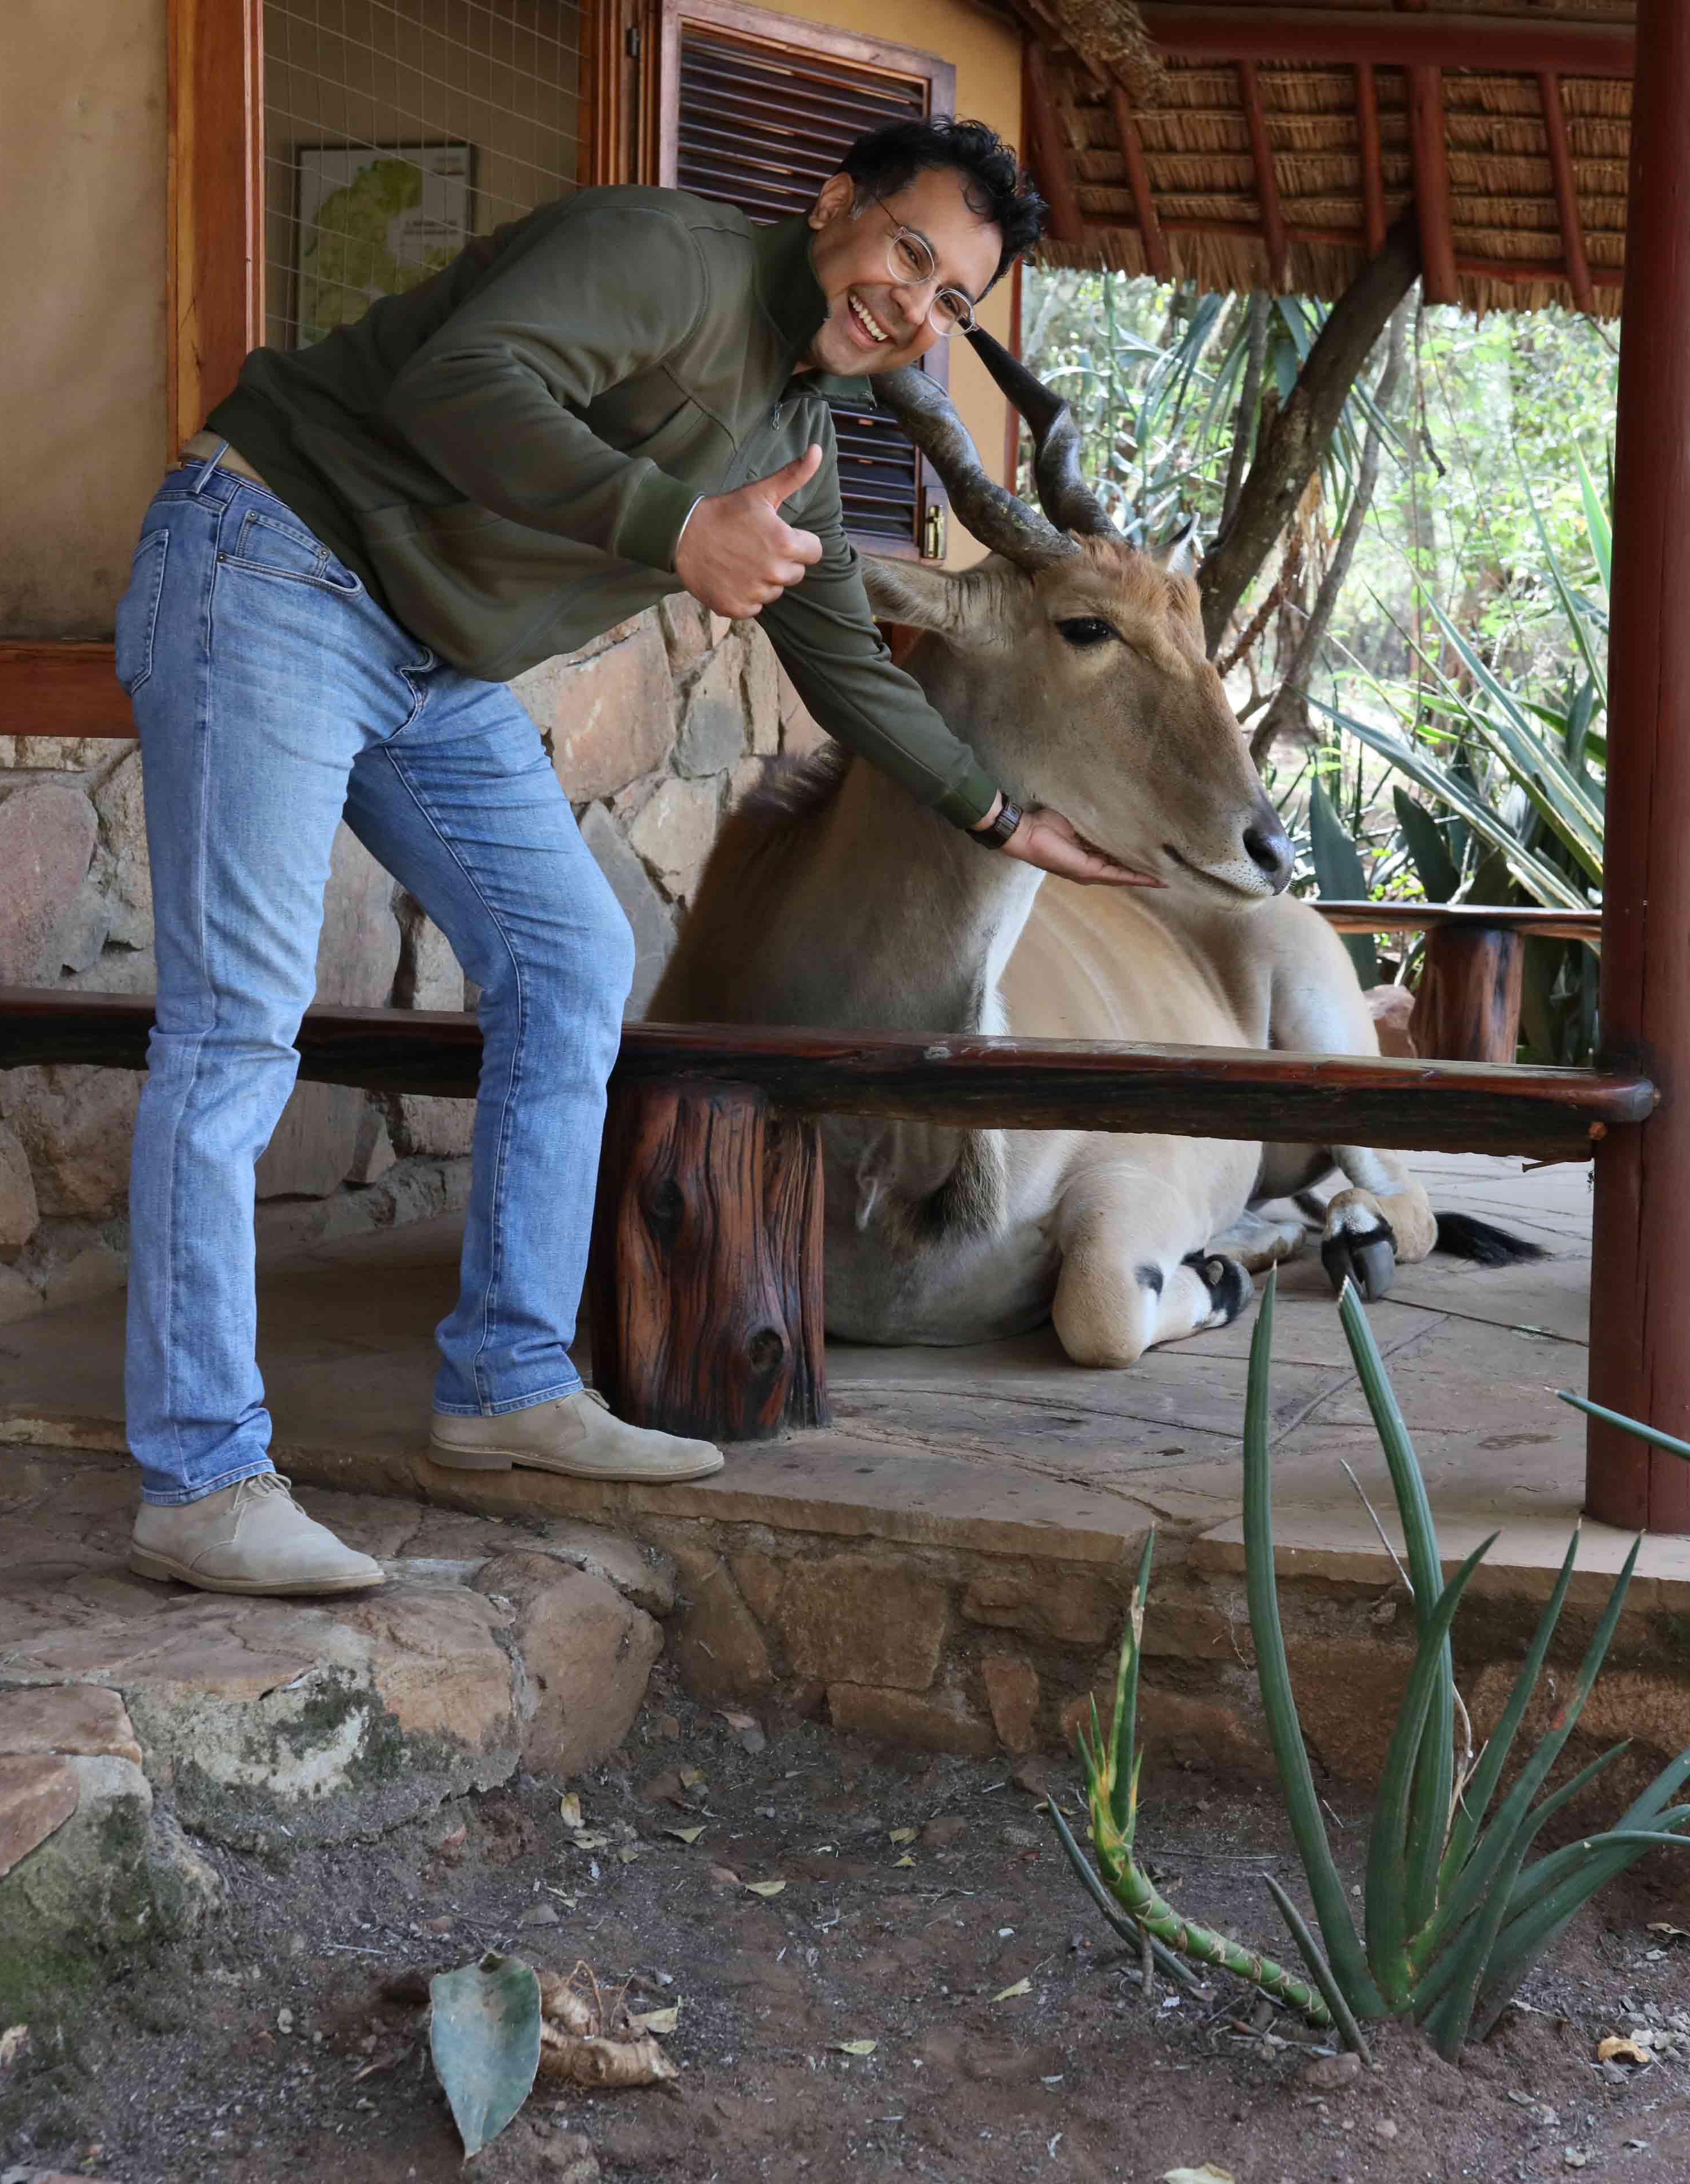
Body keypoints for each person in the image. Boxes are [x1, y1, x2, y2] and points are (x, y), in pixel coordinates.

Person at [113, 119, 1148, 1597]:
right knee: (235, 1032)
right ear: (837, 204)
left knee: (574, 960)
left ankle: (510, 1384)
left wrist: (998, 816)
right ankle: (202, 1480)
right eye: (910, 252)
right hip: (274, 559)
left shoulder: (793, 436)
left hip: (429, 658)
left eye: (953, 298)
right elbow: (455, 383)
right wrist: (676, 530)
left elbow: (842, 657)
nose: (915, 307)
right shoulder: (665, 256)